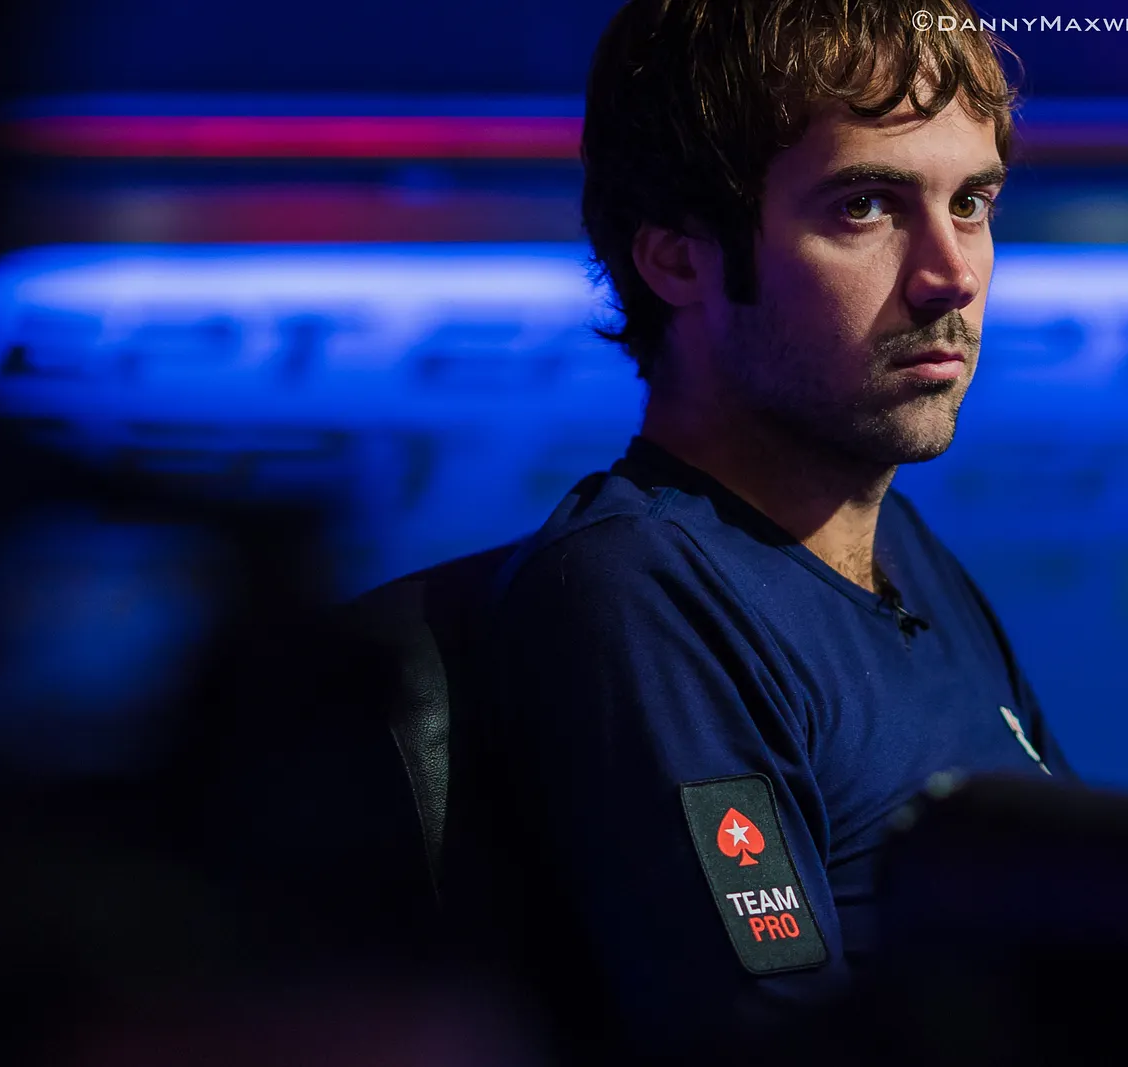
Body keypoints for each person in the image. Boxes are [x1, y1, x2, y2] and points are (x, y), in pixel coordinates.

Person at [441, 2, 1074, 1063]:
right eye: (865, 206)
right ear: (677, 260)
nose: (951, 274)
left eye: (970, 202)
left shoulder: (902, 547)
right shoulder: (640, 589)